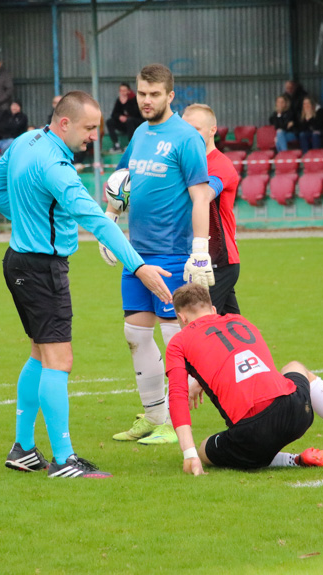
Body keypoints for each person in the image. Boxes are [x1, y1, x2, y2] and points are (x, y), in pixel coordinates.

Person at [0, 90, 172, 478]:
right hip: (42, 271)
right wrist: (140, 267)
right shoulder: (57, 167)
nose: (93, 136)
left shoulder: (25, 141)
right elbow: (98, 221)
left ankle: (23, 448)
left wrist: (24, 218)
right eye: (88, 128)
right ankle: (65, 460)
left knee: (40, 354)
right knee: (59, 360)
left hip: (17, 262)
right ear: (64, 123)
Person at [103, 64, 215, 446]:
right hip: (137, 254)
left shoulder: (186, 138)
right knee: (134, 333)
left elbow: (201, 196)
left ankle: (174, 422)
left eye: (154, 94)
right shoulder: (139, 132)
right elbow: (122, 182)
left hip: (171, 252)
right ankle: (153, 416)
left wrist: (199, 249)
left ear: (170, 95)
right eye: (141, 93)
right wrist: (110, 221)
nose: (146, 101)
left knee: (174, 338)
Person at [166, 284, 323, 475]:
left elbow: (177, 397)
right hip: (296, 412)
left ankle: (294, 460)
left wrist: (189, 454)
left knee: (205, 450)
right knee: (295, 367)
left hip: (250, 436)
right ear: (213, 310)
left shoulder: (179, 341)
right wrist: (202, 381)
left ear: (182, 318)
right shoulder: (239, 320)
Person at [182, 104, 241, 314]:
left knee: (199, 321)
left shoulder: (220, 165)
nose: (190, 136)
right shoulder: (185, 162)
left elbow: (205, 195)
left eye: (196, 130)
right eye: (186, 130)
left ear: (212, 130)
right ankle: (247, 348)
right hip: (200, 259)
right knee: (231, 326)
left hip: (218, 261)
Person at [105, 83, 142, 153]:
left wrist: (125, 103)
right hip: (124, 124)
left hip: (135, 123)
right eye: (121, 90)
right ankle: (116, 145)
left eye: (124, 90)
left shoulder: (134, 99)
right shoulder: (119, 100)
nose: (122, 92)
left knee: (130, 120)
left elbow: (135, 113)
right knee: (109, 122)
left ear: (128, 91)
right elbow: (114, 114)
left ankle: (131, 144)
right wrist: (120, 116)